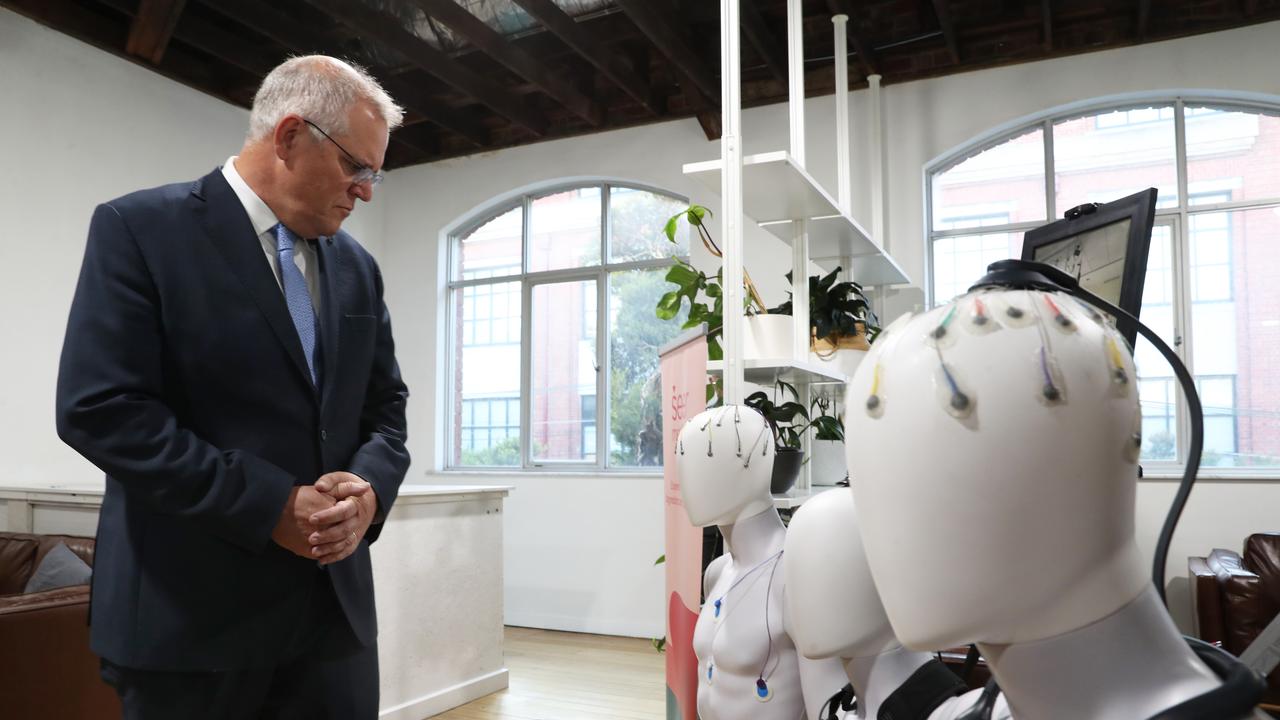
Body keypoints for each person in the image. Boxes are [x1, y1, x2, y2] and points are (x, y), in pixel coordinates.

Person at [55, 55, 410, 719]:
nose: (365, 190)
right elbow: (100, 409)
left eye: (374, 175)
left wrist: (368, 493)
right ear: (289, 136)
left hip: (332, 629)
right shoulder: (140, 231)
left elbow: (386, 412)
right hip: (189, 627)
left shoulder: (357, 268)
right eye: (356, 167)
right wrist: (270, 504)